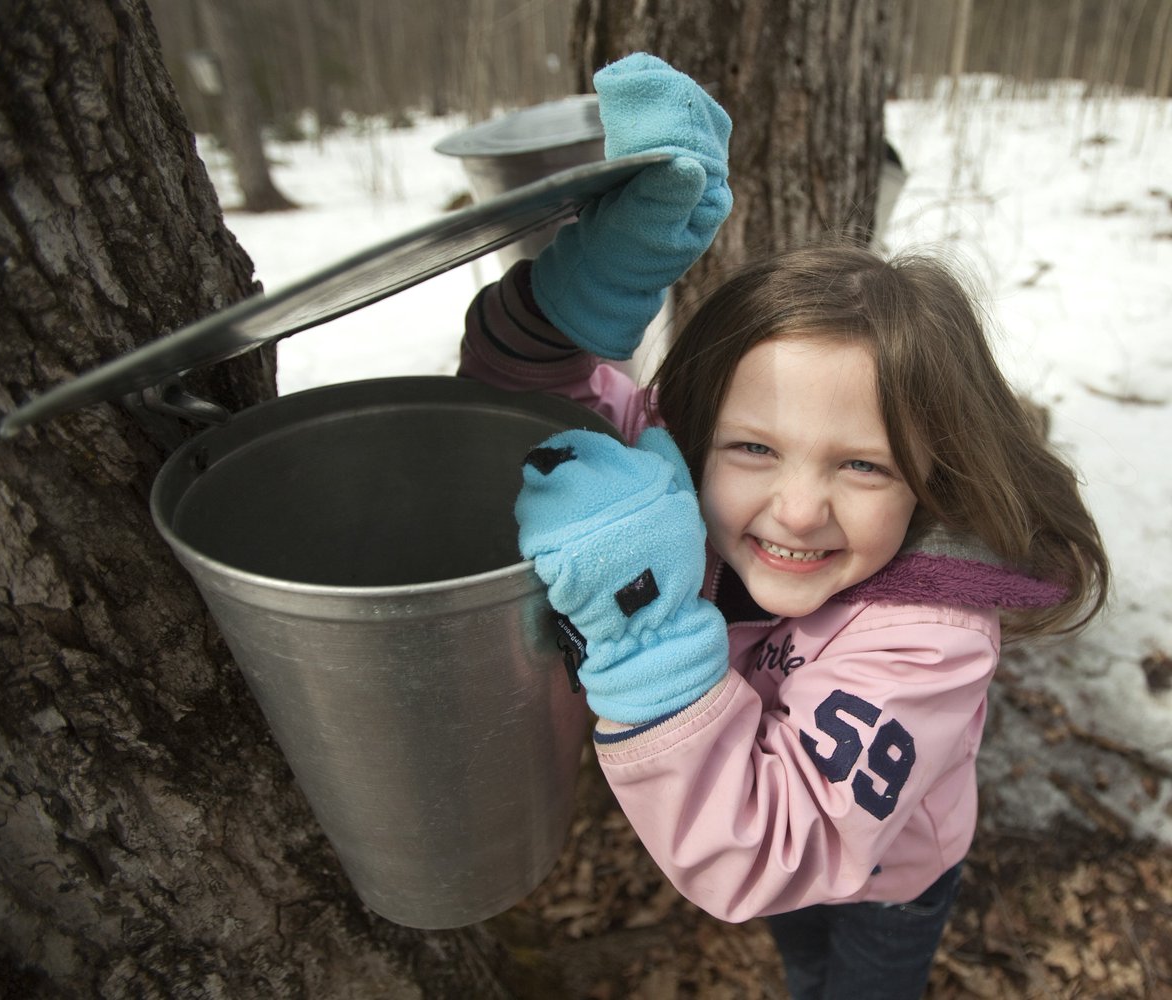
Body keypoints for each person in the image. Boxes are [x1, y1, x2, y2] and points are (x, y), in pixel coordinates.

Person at [459, 53, 1110, 1000]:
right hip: (761, 820)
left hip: (892, 879)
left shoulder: (930, 639)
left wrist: (642, 625)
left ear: (932, 477)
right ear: (690, 432)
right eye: (754, 450)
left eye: (863, 465)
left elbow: (766, 846)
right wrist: (594, 286)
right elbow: (519, 418)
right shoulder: (681, 465)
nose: (798, 510)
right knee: (801, 954)